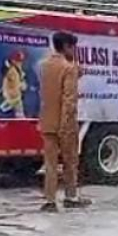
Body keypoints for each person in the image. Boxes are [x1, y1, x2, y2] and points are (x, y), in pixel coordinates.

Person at [38, 31, 89, 212]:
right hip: (65, 123)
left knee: (50, 163)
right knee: (70, 161)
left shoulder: (44, 65)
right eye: (73, 47)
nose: (74, 51)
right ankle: (71, 196)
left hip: (47, 120)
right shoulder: (69, 68)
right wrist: (66, 122)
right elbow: (69, 99)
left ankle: (50, 200)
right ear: (67, 46)